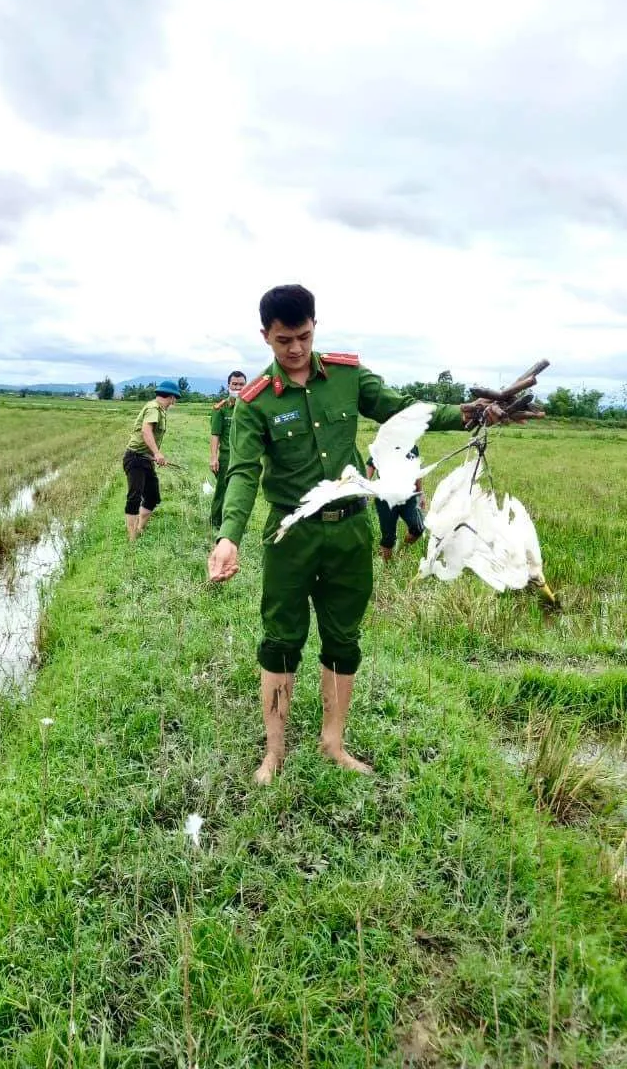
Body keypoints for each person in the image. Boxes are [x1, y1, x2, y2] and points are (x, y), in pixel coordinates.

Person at [207, 283, 540, 785]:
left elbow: (402, 410)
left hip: (350, 532)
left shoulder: (347, 377)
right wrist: (228, 535)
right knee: (280, 641)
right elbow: (242, 472)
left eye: (303, 336)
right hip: (291, 536)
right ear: (265, 336)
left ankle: (333, 743)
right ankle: (273, 754)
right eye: (283, 340)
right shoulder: (254, 402)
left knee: (343, 639)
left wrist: (470, 413)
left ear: (315, 326)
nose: (295, 349)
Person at [122, 380, 180, 541]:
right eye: (175, 398)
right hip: (135, 458)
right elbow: (146, 430)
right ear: (172, 397)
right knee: (134, 497)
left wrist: (153, 455)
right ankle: (132, 539)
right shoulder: (153, 408)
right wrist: (157, 453)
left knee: (153, 497)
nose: (174, 402)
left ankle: (139, 529)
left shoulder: (159, 410)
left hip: (145, 459)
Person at [366, 446, 425, 562]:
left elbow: (416, 470)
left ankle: (401, 550)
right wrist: (366, 486)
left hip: (408, 495)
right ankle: (387, 565)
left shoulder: (412, 446)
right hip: (386, 497)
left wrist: (420, 492)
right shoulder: (383, 443)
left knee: (418, 527)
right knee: (388, 538)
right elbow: (371, 465)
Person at [209, 370, 247, 529]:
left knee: (241, 491)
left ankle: (236, 523)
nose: (237, 387)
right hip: (227, 456)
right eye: (234, 384)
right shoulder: (221, 409)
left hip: (245, 457)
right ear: (228, 385)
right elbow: (215, 434)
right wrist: (213, 458)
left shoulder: (250, 406)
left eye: (241, 384)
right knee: (223, 490)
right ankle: (216, 522)